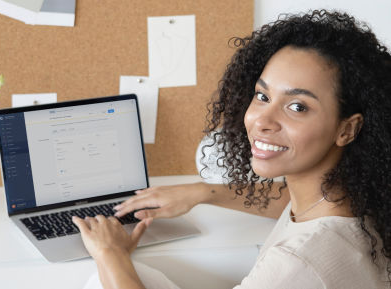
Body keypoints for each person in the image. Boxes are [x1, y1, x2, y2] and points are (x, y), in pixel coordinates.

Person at [72, 9, 391, 289]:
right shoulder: (352, 199)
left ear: (347, 129)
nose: (262, 120)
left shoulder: (298, 263)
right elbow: (286, 202)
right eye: (263, 96)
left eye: (297, 106)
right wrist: (201, 192)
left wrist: (109, 252)